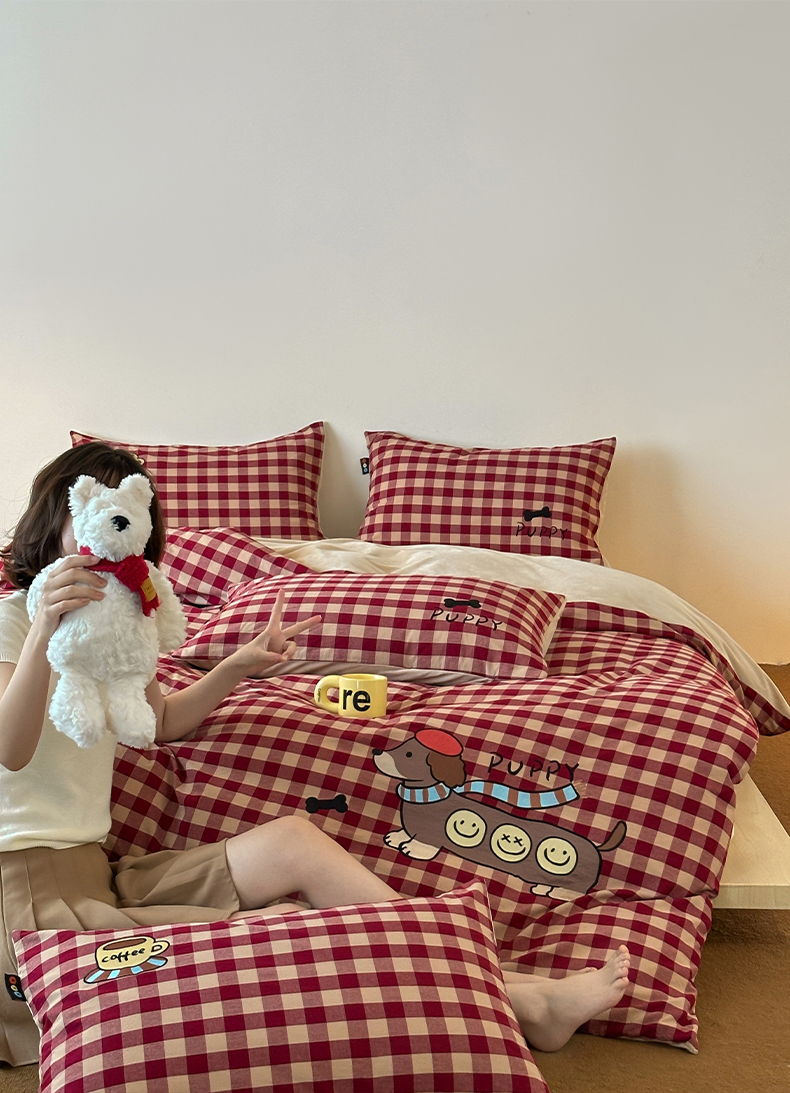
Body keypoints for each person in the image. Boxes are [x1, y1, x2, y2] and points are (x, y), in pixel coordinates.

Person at [0, 442, 630, 1067]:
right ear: (55, 517)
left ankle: (503, 986)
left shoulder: (118, 629)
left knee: (293, 845)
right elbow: (10, 749)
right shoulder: (11, 621)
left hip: (95, 872)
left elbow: (159, 722)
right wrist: (42, 631)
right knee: (284, 930)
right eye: (88, 509)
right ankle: (517, 998)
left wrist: (239, 665)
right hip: (24, 895)